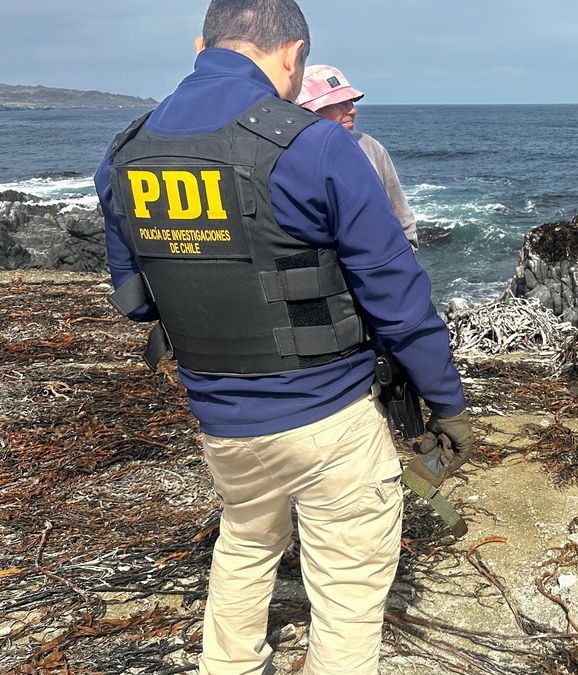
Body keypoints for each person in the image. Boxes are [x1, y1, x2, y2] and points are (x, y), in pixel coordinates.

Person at [94, 1, 470, 672]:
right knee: (347, 590)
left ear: (201, 43)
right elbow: (398, 295)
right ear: (291, 55)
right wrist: (445, 402)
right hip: (329, 418)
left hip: (222, 419)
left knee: (244, 542)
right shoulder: (316, 145)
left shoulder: (126, 151)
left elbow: (135, 299)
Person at [297, 64, 420, 250]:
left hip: (378, 267)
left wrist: (408, 250)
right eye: (340, 103)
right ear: (309, 110)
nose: (352, 110)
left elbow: (400, 211)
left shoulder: (369, 146)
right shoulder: (291, 157)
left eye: (351, 101)